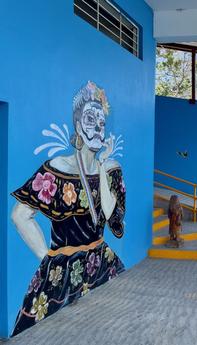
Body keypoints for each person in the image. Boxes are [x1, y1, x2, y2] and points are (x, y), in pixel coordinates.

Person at [10, 81, 125, 336]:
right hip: (62, 272)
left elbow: (112, 219)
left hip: (102, 263)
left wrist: (104, 166)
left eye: (102, 122)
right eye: (90, 119)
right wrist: (50, 260)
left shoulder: (109, 169)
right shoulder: (57, 168)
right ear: (77, 126)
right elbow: (20, 215)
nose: (97, 127)